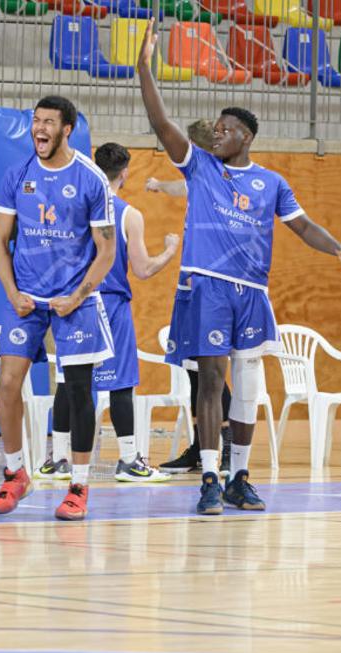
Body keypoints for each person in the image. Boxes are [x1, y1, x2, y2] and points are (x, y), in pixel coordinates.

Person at [136, 21, 341, 514]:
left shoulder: (272, 182)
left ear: (247, 136)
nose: (217, 132)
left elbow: (302, 227)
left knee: (249, 388)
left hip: (251, 292)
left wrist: (337, 247)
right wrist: (144, 70)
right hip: (207, 285)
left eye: (226, 128)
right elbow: (162, 124)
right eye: (215, 128)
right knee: (211, 382)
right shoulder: (200, 167)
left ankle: (239, 477)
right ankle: (210, 477)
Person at [0, 95, 117, 522]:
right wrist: (11, 293)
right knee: (8, 384)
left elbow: (106, 252)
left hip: (73, 301)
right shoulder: (16, 175)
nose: (39, 129)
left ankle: (78, 485)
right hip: (26, 300)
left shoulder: (91, 179)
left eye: (48, 122)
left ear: (67, 129)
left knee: (78, 390)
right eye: (35, 121)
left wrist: (78, 296)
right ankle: (14, 473)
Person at [37, 143, 179, 483]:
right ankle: (128, 460)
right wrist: (170, 251)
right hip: (109, 304)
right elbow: (143, 270)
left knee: (68, 382)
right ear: (125, 172)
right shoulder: (129, 214)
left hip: (72, 303)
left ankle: (57, 460)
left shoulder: (73, 207)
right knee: (120, 384)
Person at [144, 119, 236, 476]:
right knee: (194, 367)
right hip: (191, 282)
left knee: (213, 371)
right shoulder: (197, 181)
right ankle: (202, 445)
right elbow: (181, 187)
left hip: (216, 284)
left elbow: (181, 185)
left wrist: (159, 185)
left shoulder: (222, 182)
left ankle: (225, 447)